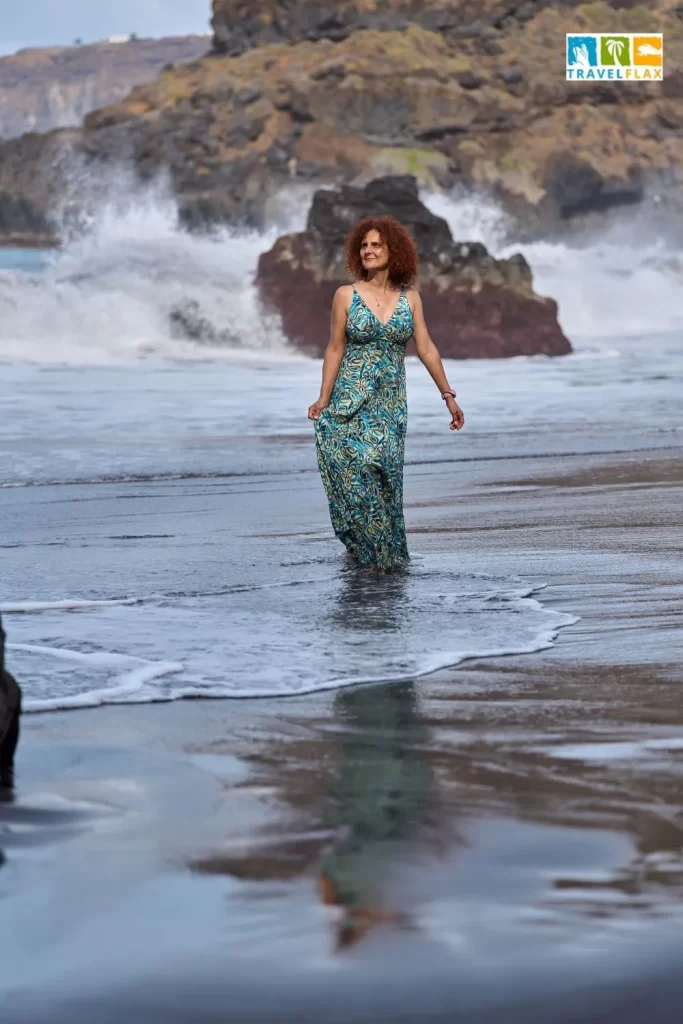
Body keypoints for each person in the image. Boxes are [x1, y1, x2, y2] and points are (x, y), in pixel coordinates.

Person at [308, 216, 465, 572]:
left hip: (390, 405)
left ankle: (382, 551)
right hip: (349, 402)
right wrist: (323, 398)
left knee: (384, 477)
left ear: (393, 251)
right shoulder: (345, 295)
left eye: (376, 244)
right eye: (363, 245)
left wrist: (448, 396)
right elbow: (334, 349)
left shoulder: (410, 299)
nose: (368, 250)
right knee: (355, 469)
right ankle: (375, 552)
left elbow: (426, 348)